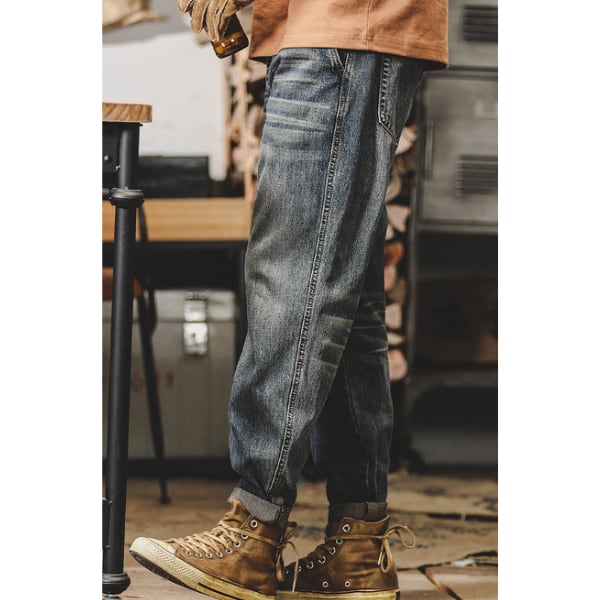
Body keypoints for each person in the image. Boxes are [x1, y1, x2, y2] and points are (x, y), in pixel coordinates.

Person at [130, 1, 448, 598]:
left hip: (342, 29)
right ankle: (357, 545)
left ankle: (254, 528)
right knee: (346, 297)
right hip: (339, 32)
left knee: (294, 276)